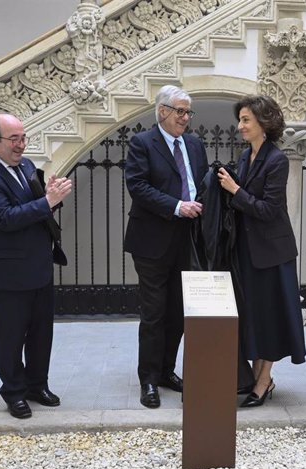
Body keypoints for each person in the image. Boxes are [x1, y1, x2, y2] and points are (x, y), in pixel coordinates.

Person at [0, 113, 72, 419]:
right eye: (14, 139)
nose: (21, 145)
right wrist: (46, 202)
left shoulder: (27, 167)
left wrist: (51, 194)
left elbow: (38, 206)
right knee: (12, 337)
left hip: (39, 265)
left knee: (42, 333)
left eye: (23, 138)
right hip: (9, 273)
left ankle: (37, 384)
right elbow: (5, 219)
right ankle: (14, 392)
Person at [217, 95, 306, 407]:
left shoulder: (277, 161)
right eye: (240, 120)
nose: (240, 126)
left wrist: (235, 191)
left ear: (263, 124)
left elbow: (268, 210)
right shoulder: (245, 157)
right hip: (248, 252)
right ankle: (257, 378)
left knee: (269, 317)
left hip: (272, 254)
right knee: (254, 316)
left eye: (246, 120)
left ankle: (264, 380)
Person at [124, 85, 209, 409]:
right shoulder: (142, 143)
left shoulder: (195, 144)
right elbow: (138, 186)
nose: (186, 118)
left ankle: (166, 371)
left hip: (187, 240)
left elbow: (200, 183)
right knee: (154, 313)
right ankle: (148, 379)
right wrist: (177, 206)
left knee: (178, 312)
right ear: (162, 111)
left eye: (189, 112)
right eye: (180, 112)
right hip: (152, 241)